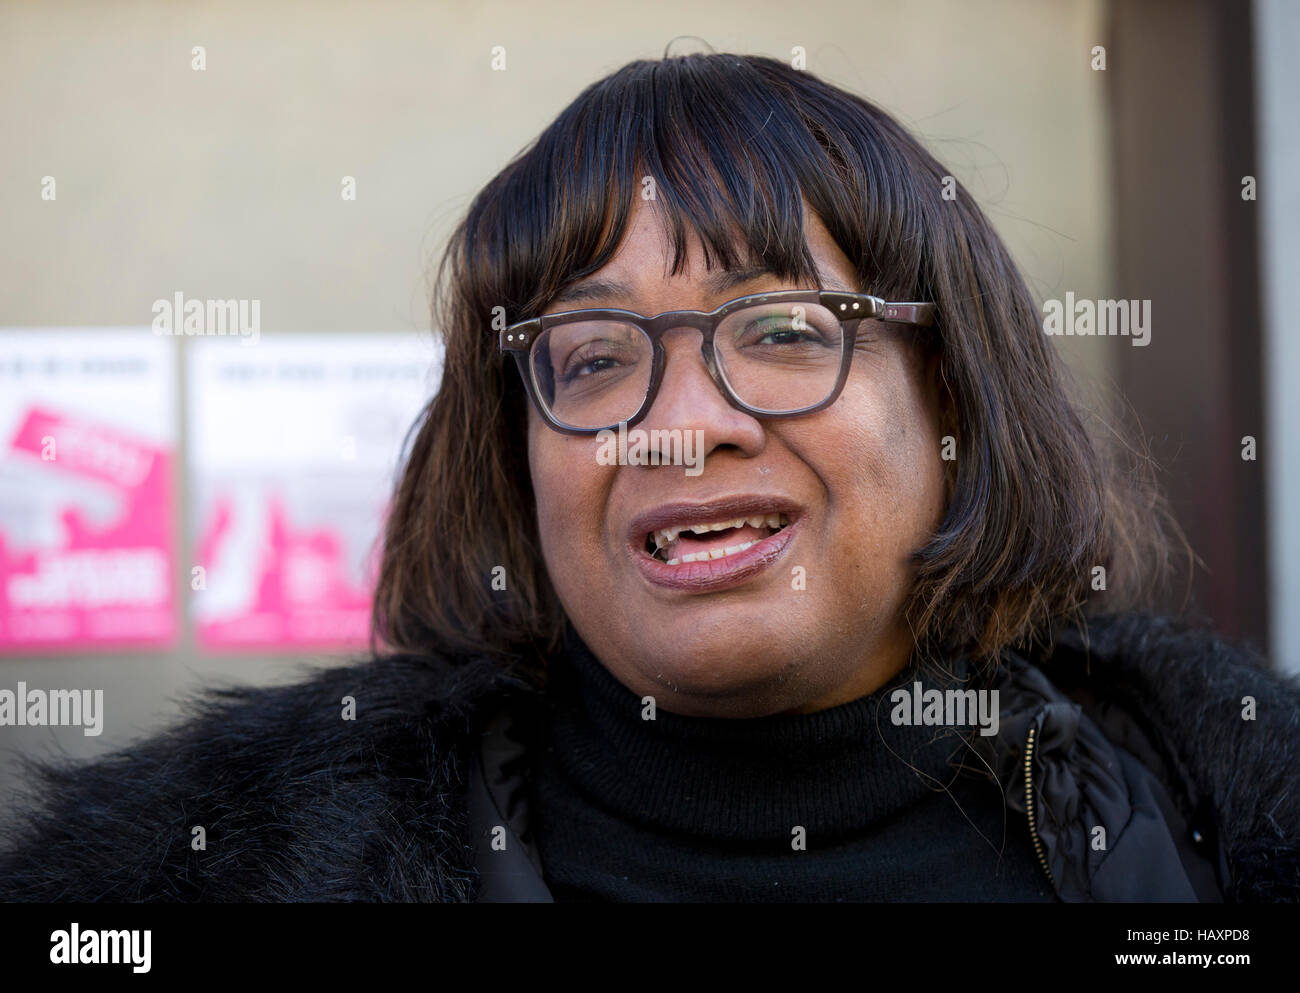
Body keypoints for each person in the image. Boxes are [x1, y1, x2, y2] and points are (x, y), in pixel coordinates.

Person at [2, 52, 1298, 903]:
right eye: (597, 353)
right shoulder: (186, 877)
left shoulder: (1225, 833)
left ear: (954, 392)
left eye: (785, 331)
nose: (679, 427)